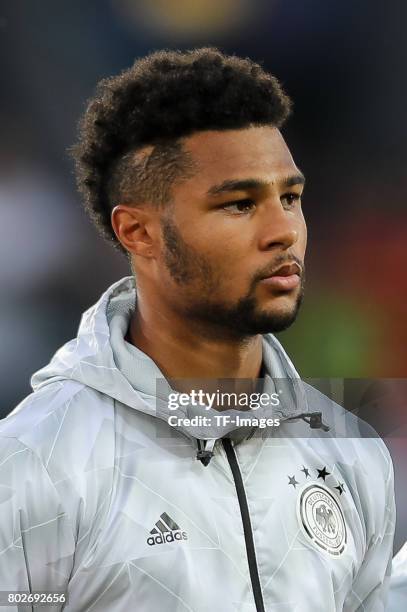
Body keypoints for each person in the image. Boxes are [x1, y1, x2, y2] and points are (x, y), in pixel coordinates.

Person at [0, 48, 396, 611]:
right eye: (239, 204)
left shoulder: (349, 450)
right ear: (138, 233)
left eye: (290, 197)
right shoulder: (35, 462)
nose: (284, 230)